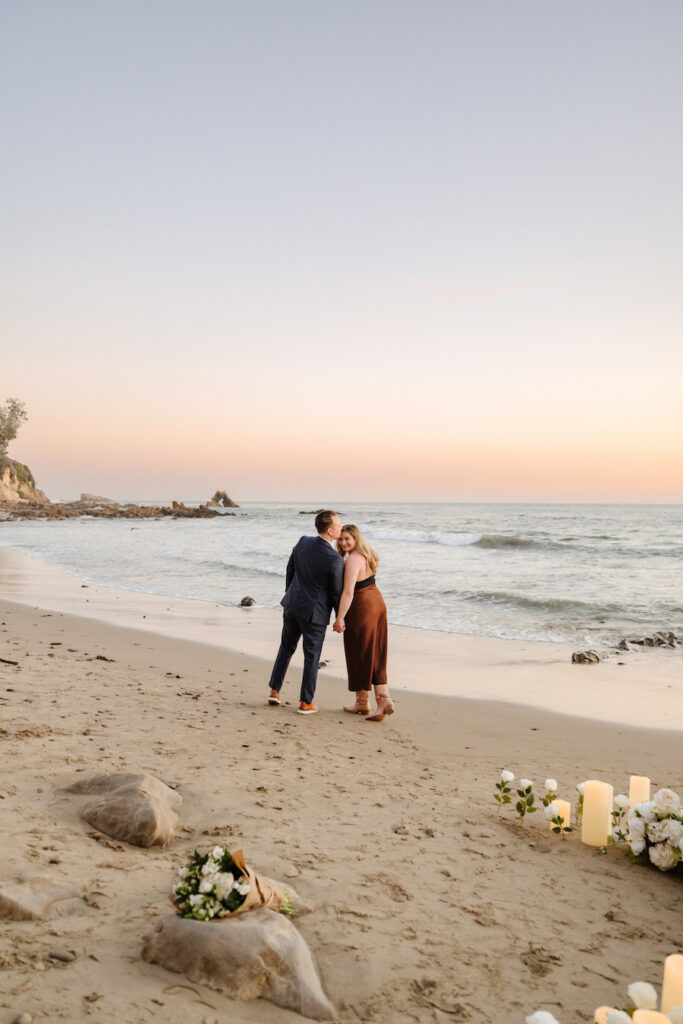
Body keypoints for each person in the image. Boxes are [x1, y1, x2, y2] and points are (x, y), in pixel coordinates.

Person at [267, 510, 344, 715]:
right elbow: (337, 593)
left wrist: (290, 593)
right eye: (338, 525)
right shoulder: (335, 559)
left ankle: (274, 691)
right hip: (314, 614)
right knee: (312, 656)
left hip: (293, 604)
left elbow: (290, 569)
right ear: (330, 531)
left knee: (286, 648)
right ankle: (305, 702)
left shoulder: (302, 542)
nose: (341, 528)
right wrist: (340, 617)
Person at [332, 524, 395, 722]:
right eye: (340, 539)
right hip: (376, 603)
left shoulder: (353, 559)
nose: (343, 542)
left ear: (356, 539)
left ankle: (382, 700)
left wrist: (339, 618)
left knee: (360, 652)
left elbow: (348, 592)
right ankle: (362, 702)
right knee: (375, 651)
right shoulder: (366, 555)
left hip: (362, 607)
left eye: (347, 539)